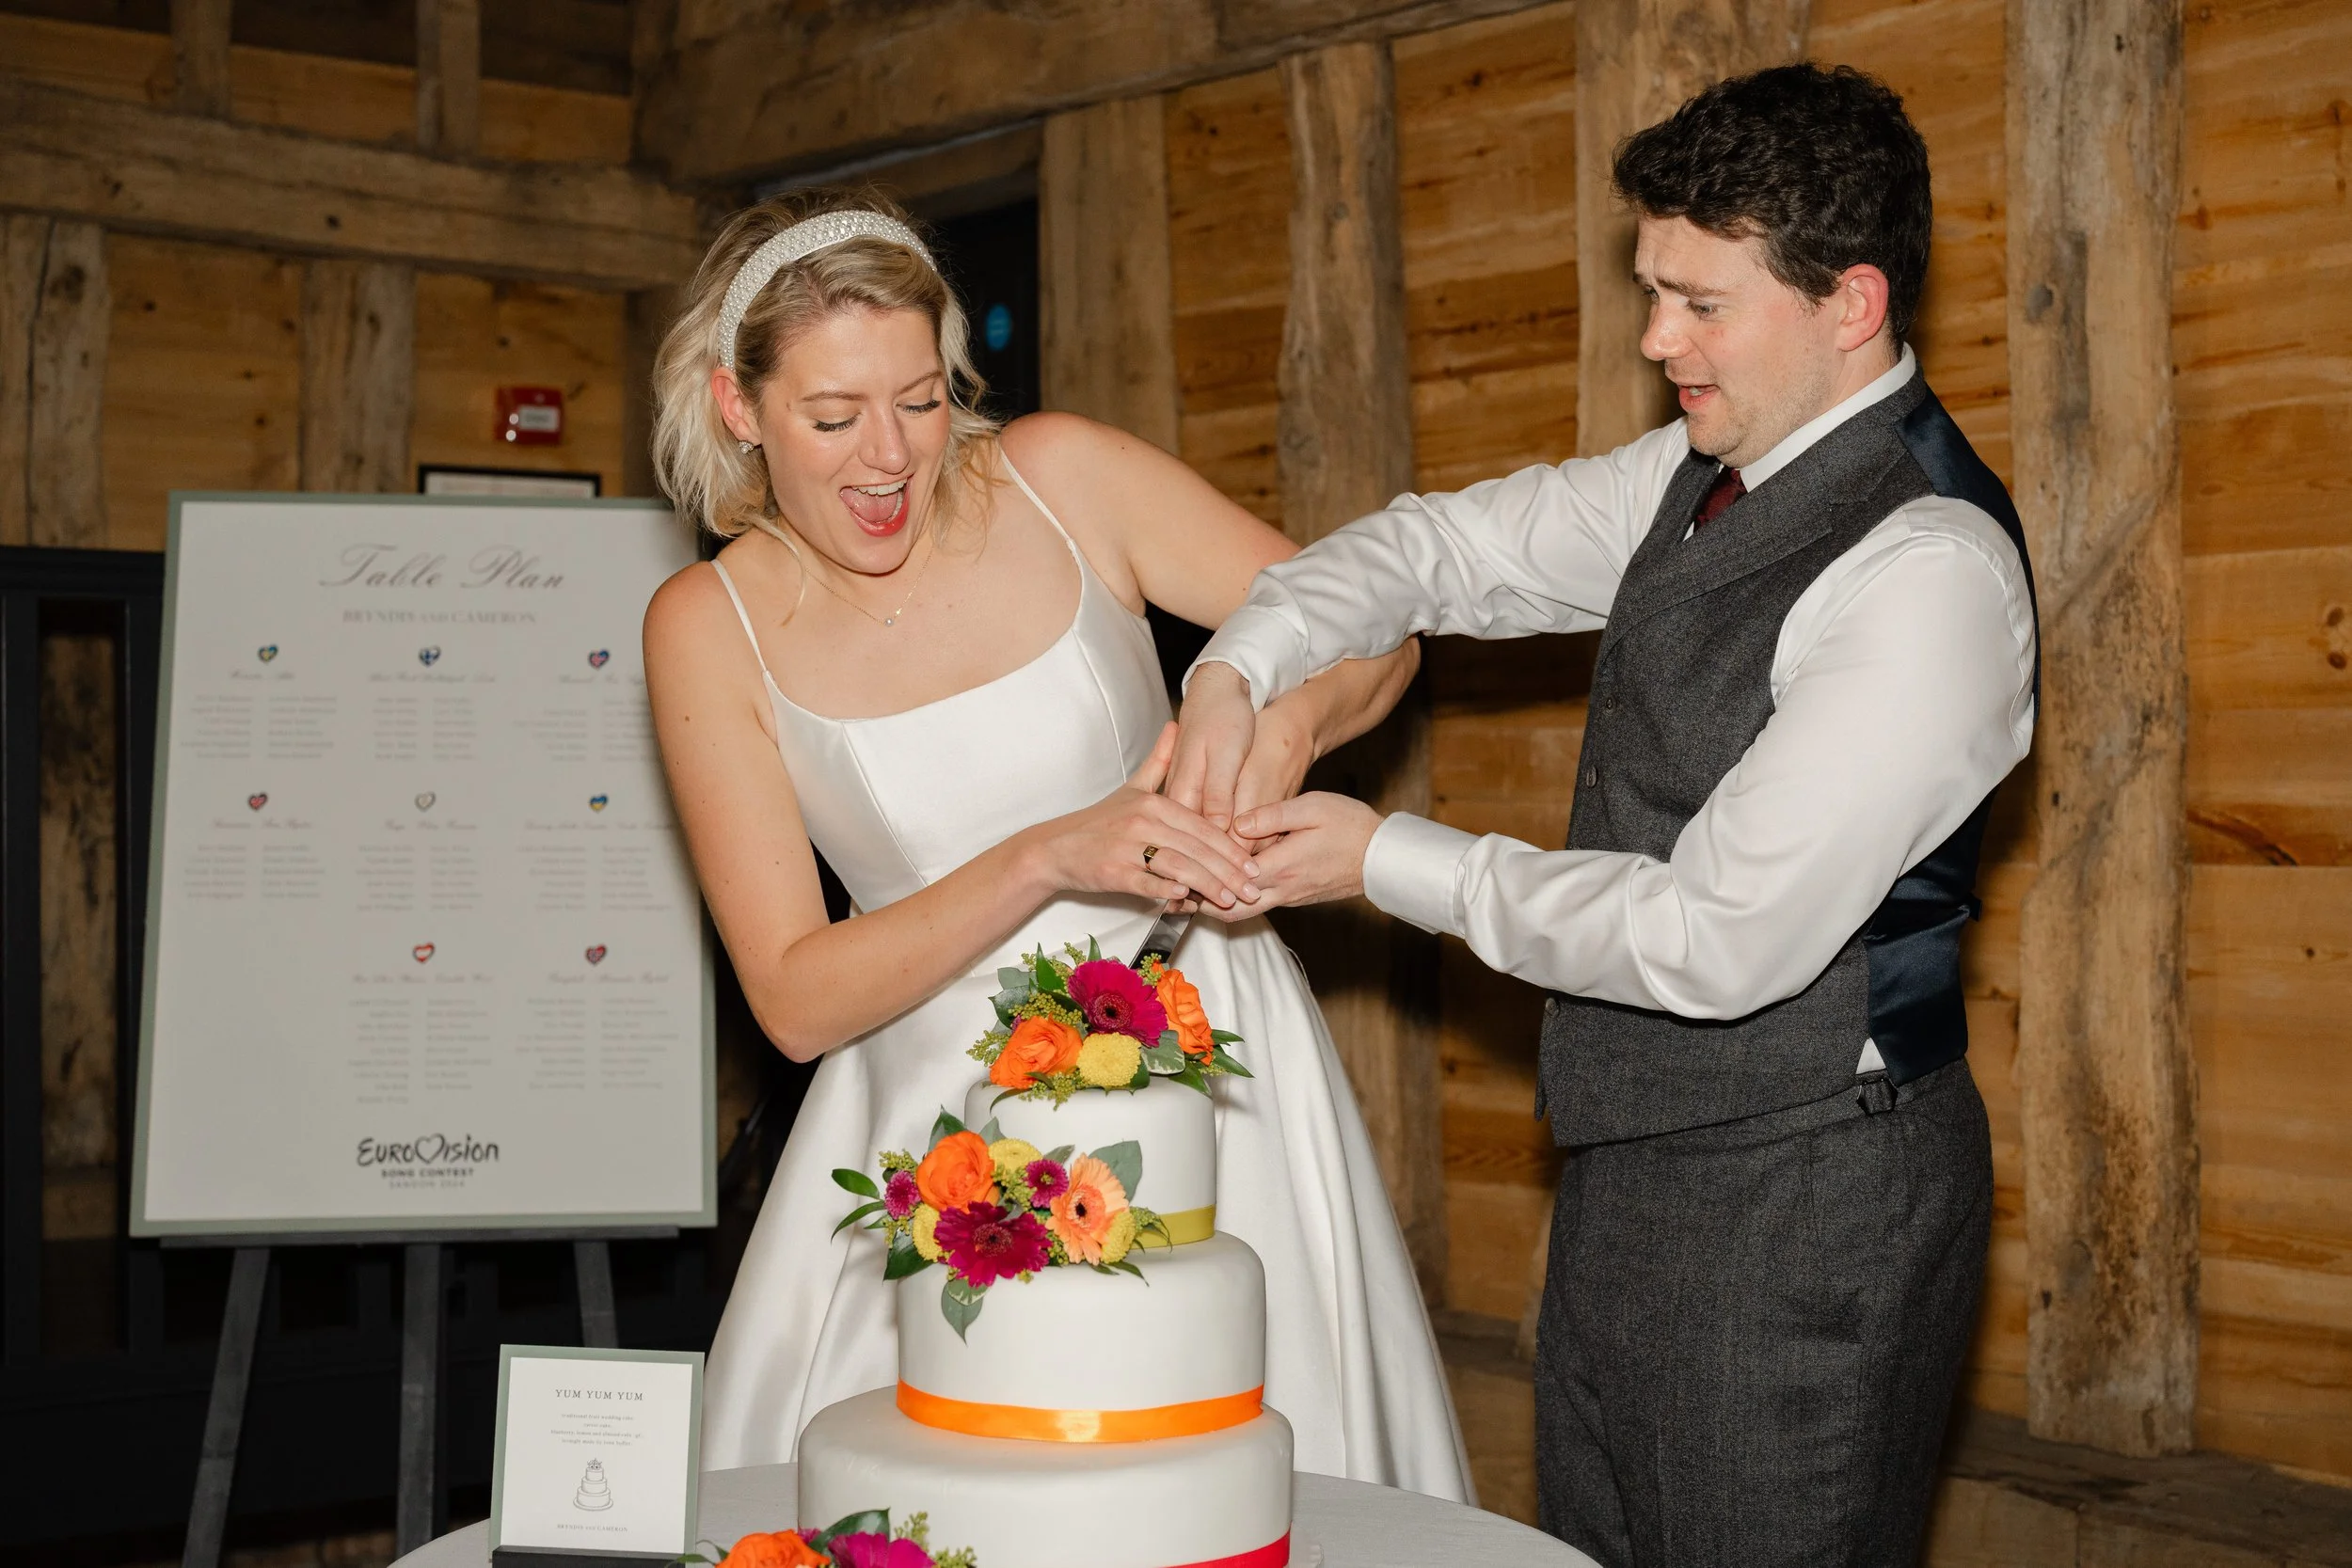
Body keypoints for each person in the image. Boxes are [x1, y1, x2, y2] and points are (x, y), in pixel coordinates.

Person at [1172, 66, 2037, 1565]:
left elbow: (1715, 937)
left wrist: (1383, 857)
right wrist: (1240, 672)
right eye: (1652, 291)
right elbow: (1434, 549)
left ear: (1850, 303)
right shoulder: (1695, 476)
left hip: (1813, 1188)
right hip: (1638, 1167)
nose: (1656, 340)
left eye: (1700, 302)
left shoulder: (1930, 573)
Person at [641, 190, 1471, 1500]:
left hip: (1207, 1070)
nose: (889, 457)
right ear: (739, 408)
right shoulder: (705, 622)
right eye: (832, 415)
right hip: (930, 1124)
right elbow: (794, 999)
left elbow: (1375, 632)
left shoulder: (1067, 474)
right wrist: (1046, 856)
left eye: (919, 399)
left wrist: (1272, 718)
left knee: (1239, 1485)